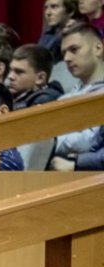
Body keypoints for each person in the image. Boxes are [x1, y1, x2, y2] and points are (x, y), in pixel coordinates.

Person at [53, 23, 104, 168]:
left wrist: (50, 142)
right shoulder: (64, 99)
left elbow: (87, 143)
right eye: (64, 53)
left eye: (74, 49)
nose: (67, 58)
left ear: (98, 48)